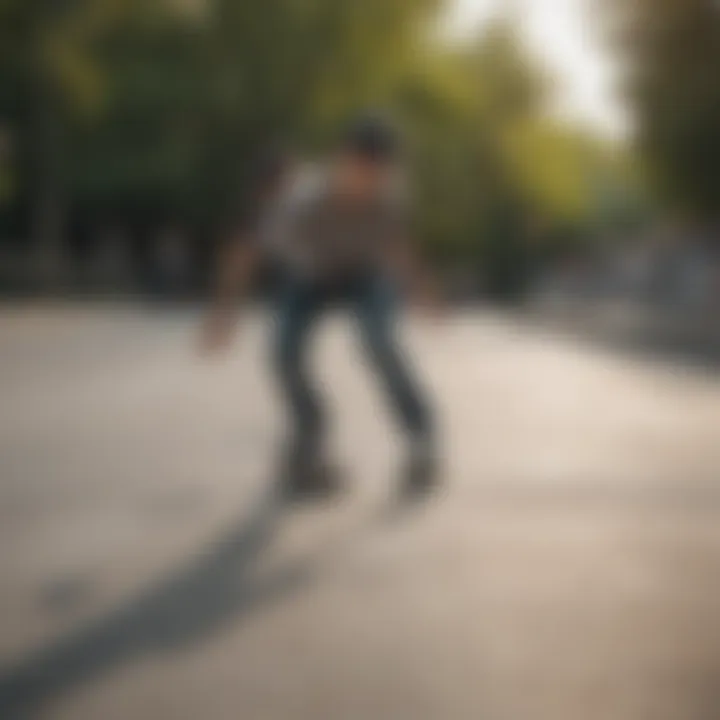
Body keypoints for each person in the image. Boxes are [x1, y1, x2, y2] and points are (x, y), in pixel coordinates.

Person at [201, 116, 440, 501]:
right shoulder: (300, 200)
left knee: (379, 340)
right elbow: (244, 254)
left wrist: (421, 292)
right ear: (342, 161)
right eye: (361, 172)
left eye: (378, 175)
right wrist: (222, 316)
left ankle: (420, 437)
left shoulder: (390, 199)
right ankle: (309, 438)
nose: (368, 184)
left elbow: (398, 247)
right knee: (283, 352)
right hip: (310, 277)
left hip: (366, 275)